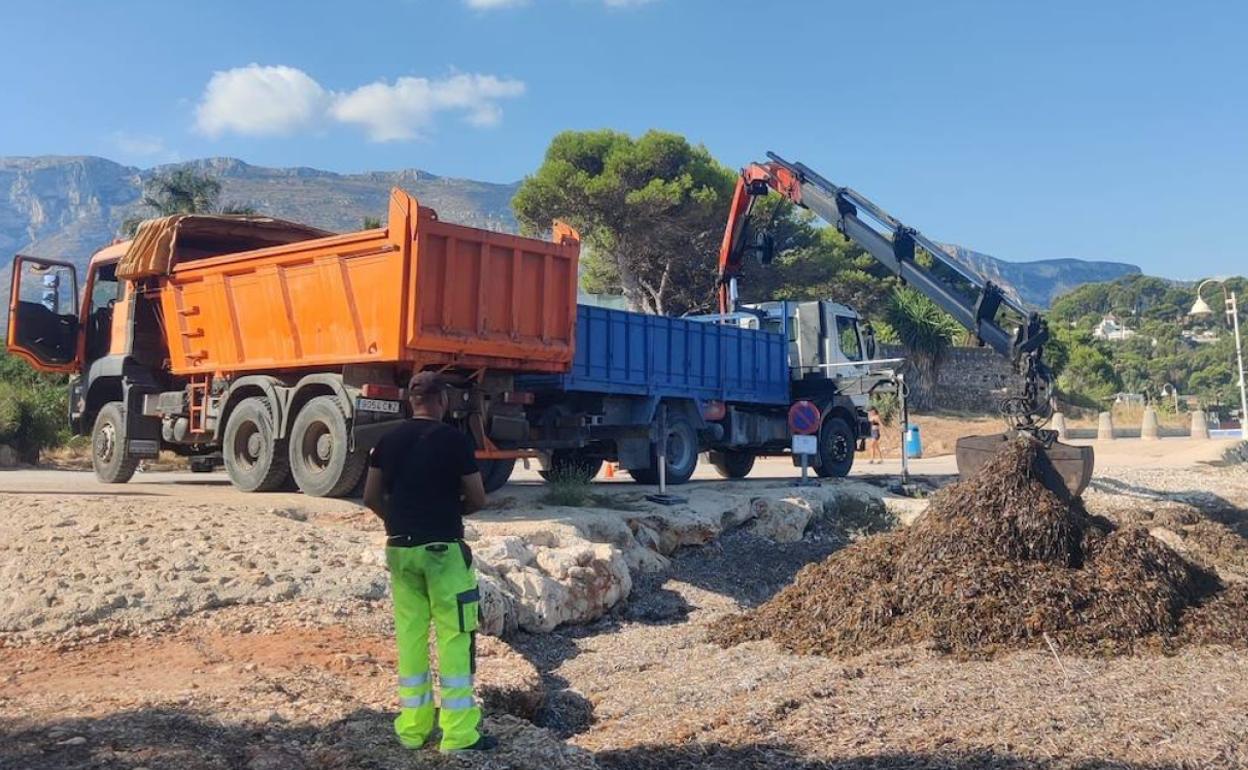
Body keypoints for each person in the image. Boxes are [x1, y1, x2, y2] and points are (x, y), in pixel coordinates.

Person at [362, 372, 495, 753]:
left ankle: (413, 729)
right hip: (443, 551)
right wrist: (455, 511)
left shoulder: (387, 441)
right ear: (442, 401)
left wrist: (396, 521)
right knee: (454, 635)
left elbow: (371, 496)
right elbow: (478, 498)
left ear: (410, 401)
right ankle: (458, 735)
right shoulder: (453, 441)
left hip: (400, 550)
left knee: (411, 636)